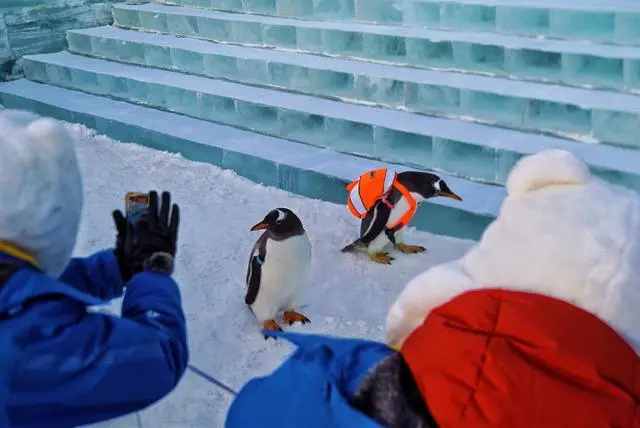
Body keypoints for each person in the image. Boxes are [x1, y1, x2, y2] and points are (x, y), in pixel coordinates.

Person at [225, 149, 640, 427]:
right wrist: (370, 241)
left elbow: (256, 411)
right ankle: (278, 307)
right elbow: (377, 218)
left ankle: (293, 302)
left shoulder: (371, 377)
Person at [0, 110, 188, 427]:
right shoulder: (24, 345)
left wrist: (117, 267)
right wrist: (152, 274)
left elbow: (23, 291)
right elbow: (158, 358)